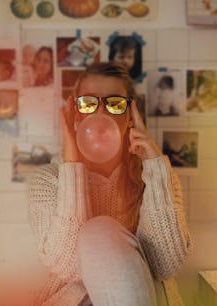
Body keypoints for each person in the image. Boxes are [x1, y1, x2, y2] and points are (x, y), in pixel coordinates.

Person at [27, 62, 192, 306]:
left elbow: (165, 265)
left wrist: (155, 168)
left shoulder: (156, 177)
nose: (100, 115)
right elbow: (69, 267)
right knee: (99, 231)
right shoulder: (48, 180)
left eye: (115, 104)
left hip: (143, 297)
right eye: (88, 103)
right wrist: (72, 166)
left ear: (130, 116)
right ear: (76, 113)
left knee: (101, 231)